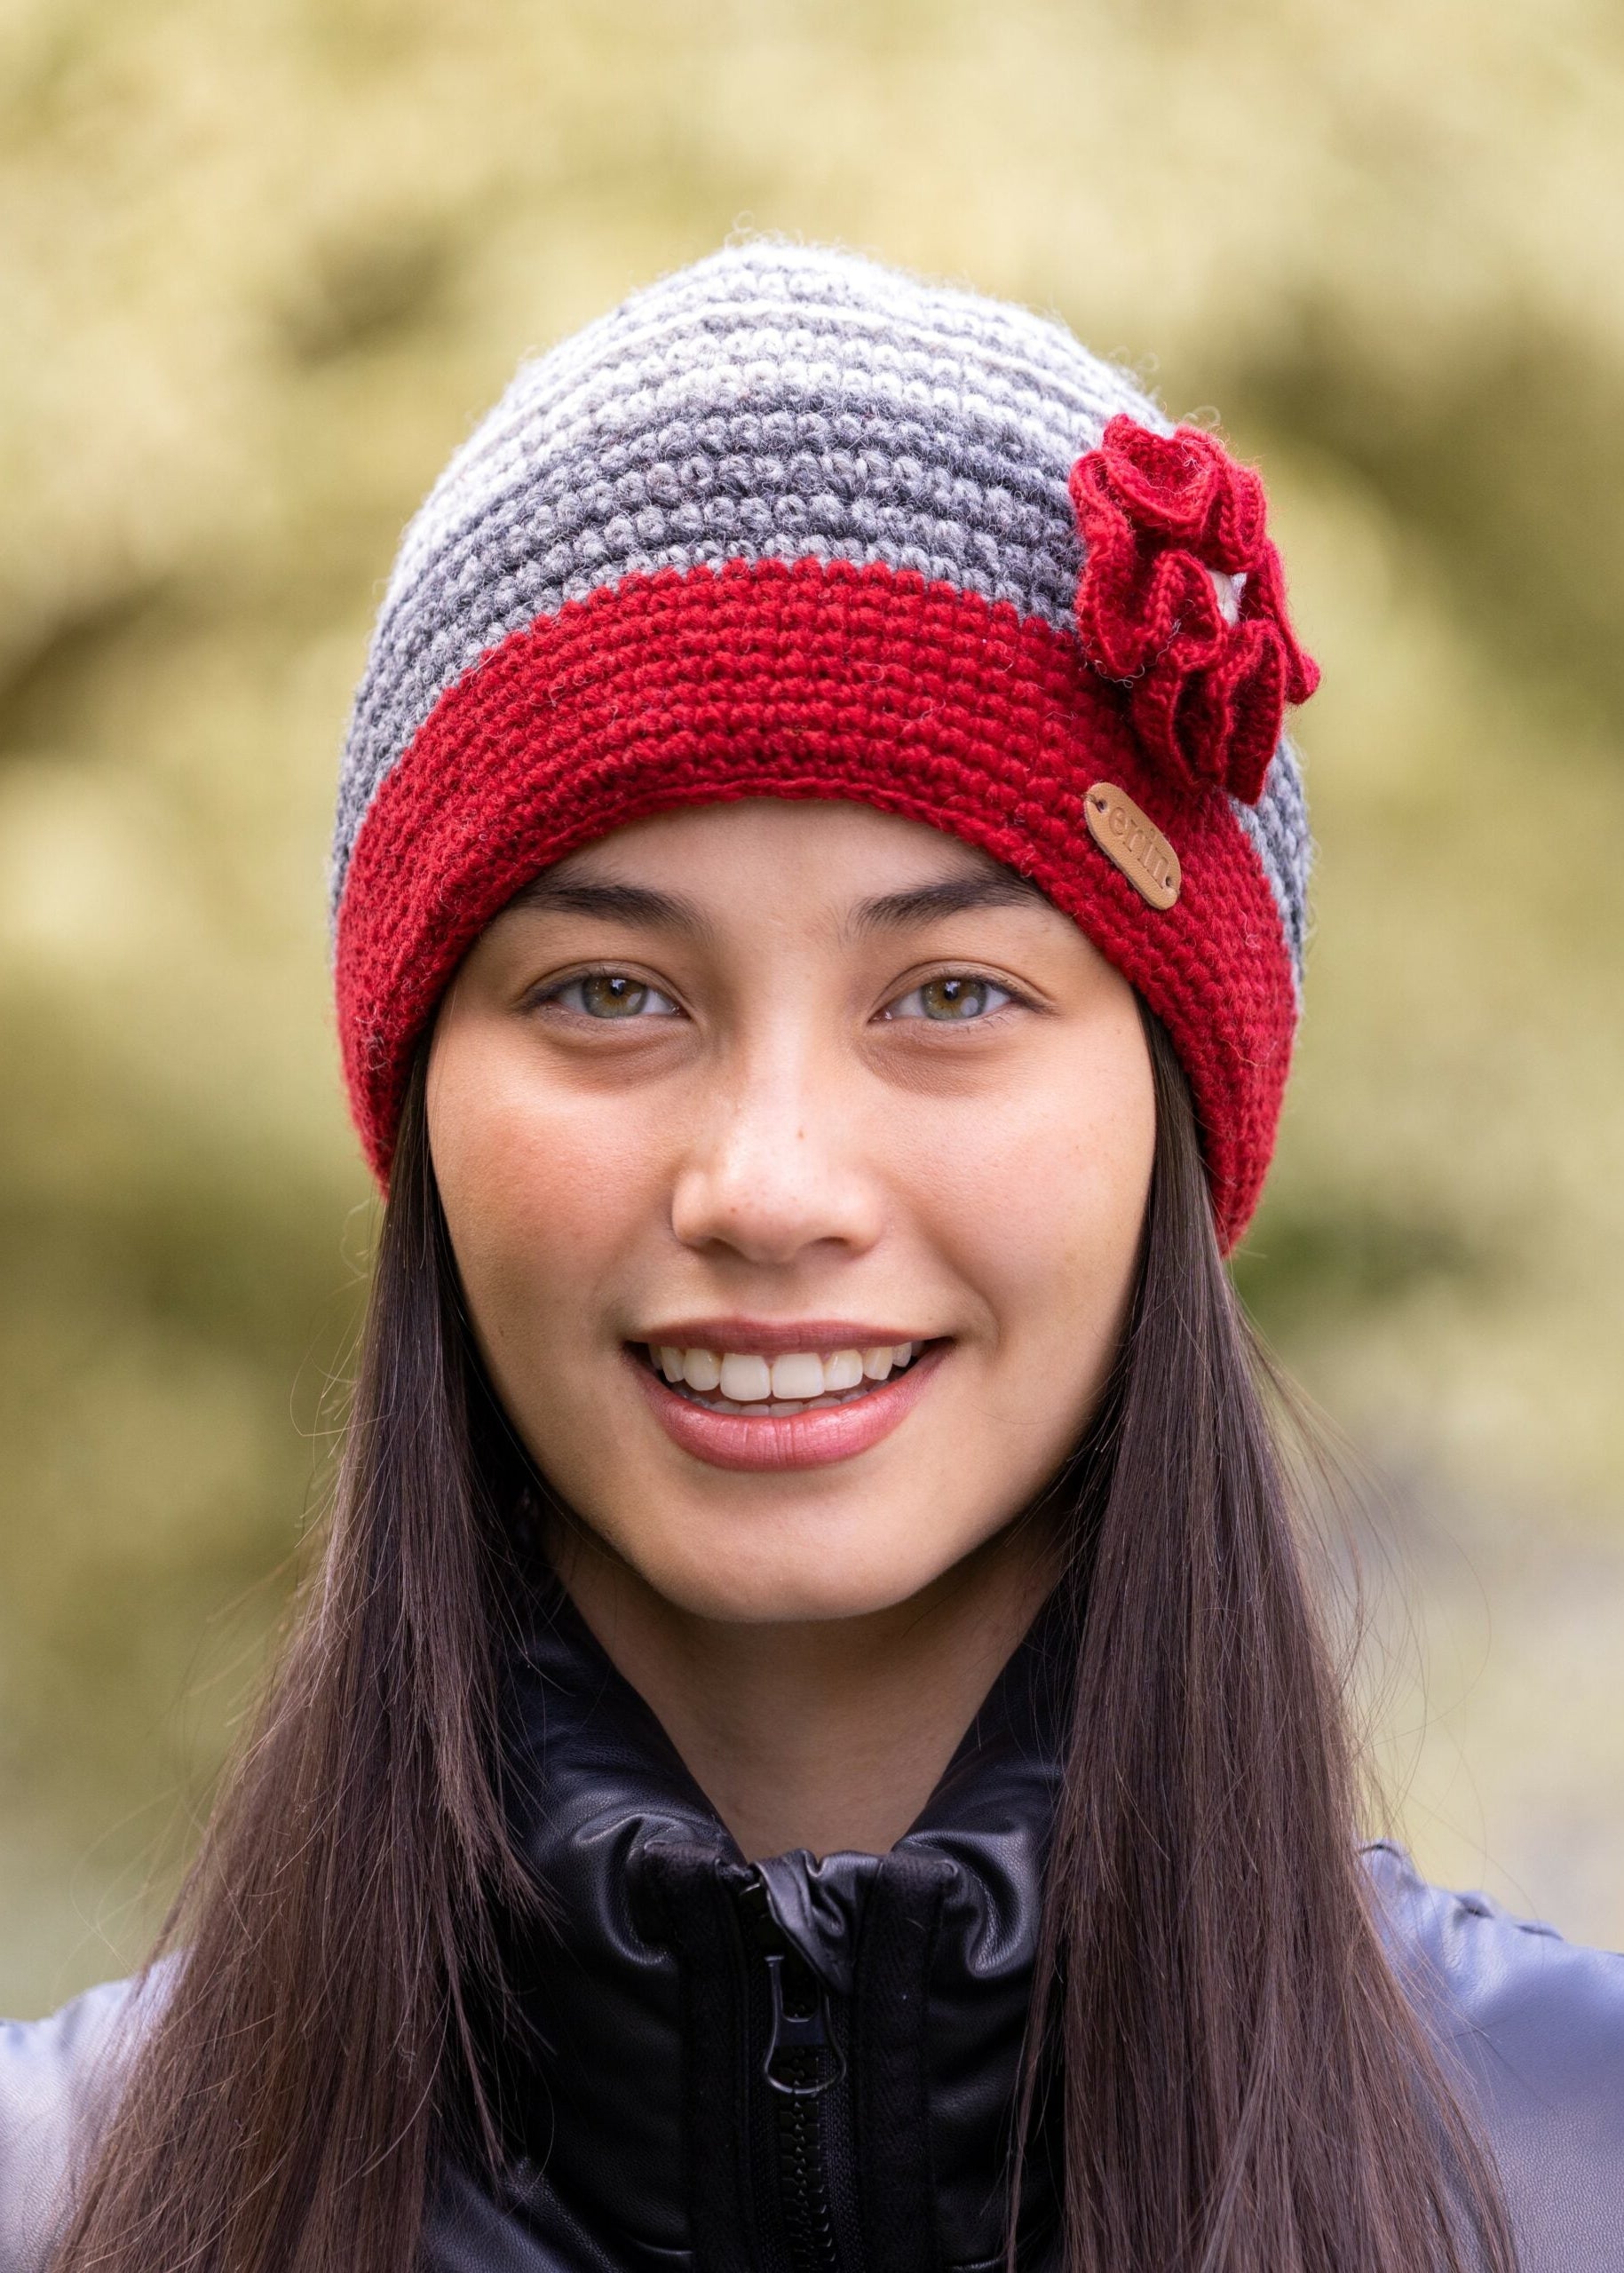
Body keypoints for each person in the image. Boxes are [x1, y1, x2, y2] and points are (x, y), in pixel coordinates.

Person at [2, 241, 1620, 2273]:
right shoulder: (66, 2200)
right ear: (418, 1109)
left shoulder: (1576, 2167)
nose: (770, 1183)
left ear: (1173, 1110)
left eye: (948, 993)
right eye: (607, 988)